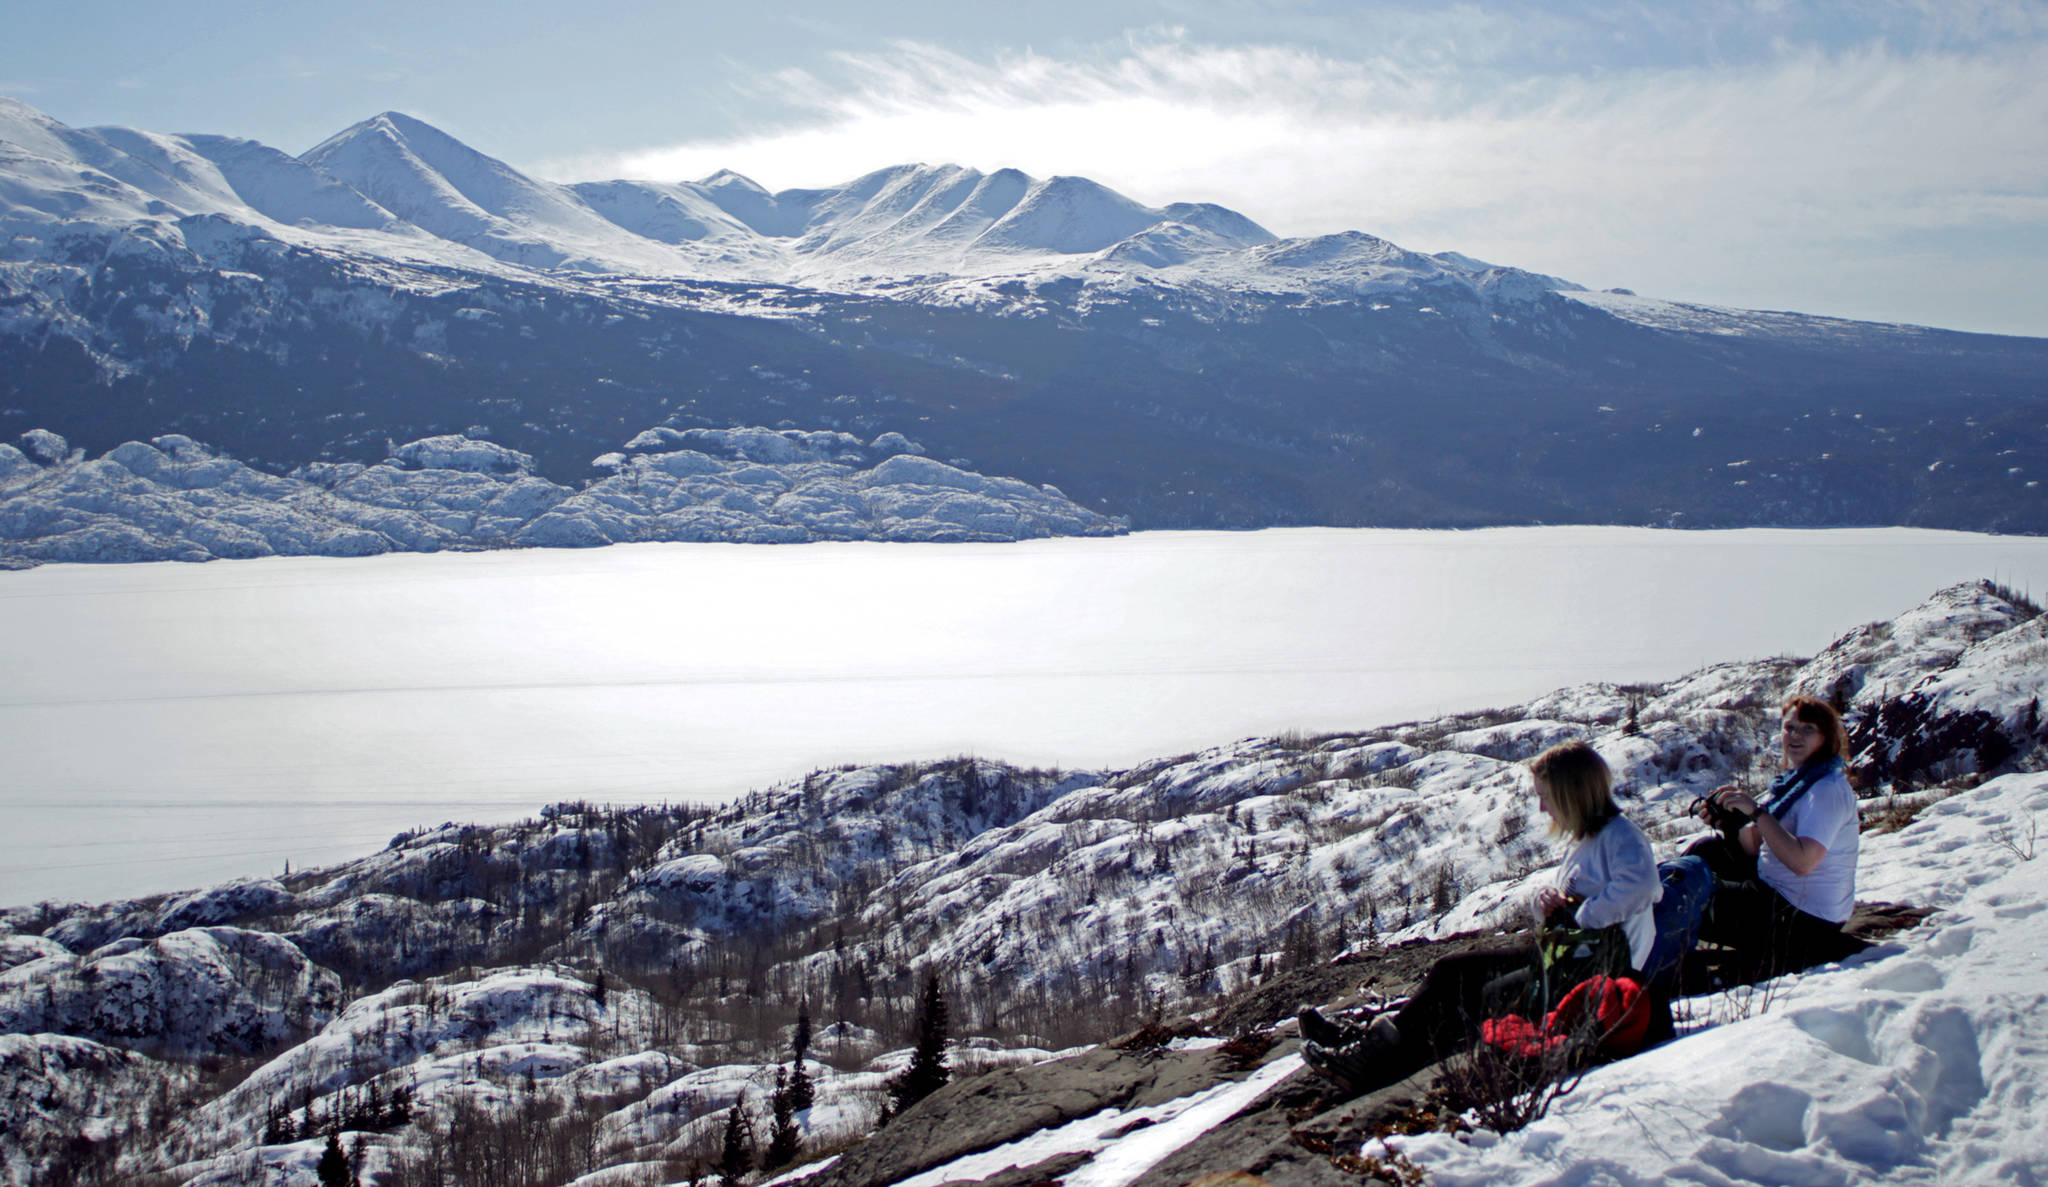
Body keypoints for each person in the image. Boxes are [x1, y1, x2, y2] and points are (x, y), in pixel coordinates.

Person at [1301, 740, 1661, 1094]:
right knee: (1456, 975)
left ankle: (1372, 1061)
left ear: (1572, 794)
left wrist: (1583, 914)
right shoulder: (1588, 842)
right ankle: (1369, 1045)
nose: (1541, 808)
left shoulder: (1622, 837)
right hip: (1571, 962)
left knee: (1467, 986)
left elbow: (1642, 887)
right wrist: (1547, 902)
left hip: (1594, 977)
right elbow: (1574, 903)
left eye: (1547, 796)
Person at [1689, 695, 1862, 977]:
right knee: (1706, 852)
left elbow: (1803, 862)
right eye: (1789, 727)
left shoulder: (1826, 790)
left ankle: (1661, 966)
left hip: (1803, 920)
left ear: (1825, 737)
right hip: (1782, 895)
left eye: (1808, 729)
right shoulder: (1794, 783)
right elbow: (1755, 846)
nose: (1795, 736)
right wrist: (1728, 823)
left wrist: (1756, 813)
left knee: (1684, 896)